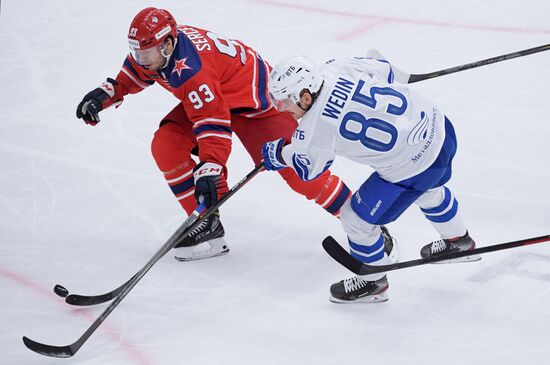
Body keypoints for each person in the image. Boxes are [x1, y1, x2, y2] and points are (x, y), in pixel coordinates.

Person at [75, 8, 352, 261]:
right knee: (166, 144)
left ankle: (362, 223)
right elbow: (136, 75)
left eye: (145, 53)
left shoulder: (193, 70)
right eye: (137, 52)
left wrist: (211, 167)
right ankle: (206, 224)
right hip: (220, 99)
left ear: (168, 44)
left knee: (302, 174)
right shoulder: (157, 51)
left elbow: (213, 122)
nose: (140, 59)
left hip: (261, 108)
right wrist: (108, 94)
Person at [262, 55, 479, 303]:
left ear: (305, 96)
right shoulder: (338, 68)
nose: (282, 109)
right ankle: (459, 240)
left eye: (285, 103)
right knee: (427, 188)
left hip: (417, 164)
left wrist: (280, 153)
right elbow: (384, 67)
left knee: (355, 220)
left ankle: (373, 282)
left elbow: (309, 170)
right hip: (440, 128)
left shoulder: (315, 128)